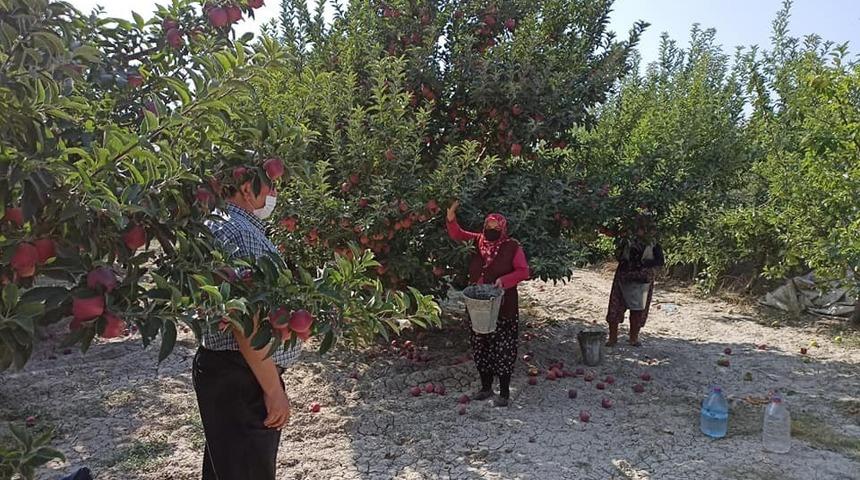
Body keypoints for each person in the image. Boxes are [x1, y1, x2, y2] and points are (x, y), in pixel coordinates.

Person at [192, 171, 299, 480]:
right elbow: (244, 319)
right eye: (270, 183)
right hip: (243, 374)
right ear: (245, 187)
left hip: (235, 372)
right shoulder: (237, 231)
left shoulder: (226, 225)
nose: (275, 191)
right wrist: (272, 389)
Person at [446, 200, 530, 407]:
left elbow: (523, 271)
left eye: (496, 227)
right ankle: (485, 388)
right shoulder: (478, 241)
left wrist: (505, 281)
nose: (492, 230)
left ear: (503, 228)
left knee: (503, 348)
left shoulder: (512, 246)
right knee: (480, 346)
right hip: (478, 306)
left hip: (504, 306)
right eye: (489, 226)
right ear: (484, 227)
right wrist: (450, 217)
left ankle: (503, 392)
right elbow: (457, 234)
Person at [605, 218, 665, 347]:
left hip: (642, 280)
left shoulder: (653, 244)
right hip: (624, 277)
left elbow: (660, 261)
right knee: (615, 307)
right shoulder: (626, 241)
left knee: (637, 310)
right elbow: (618, 255)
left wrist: (645, 265)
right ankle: (612, 338)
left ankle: (633, 338)